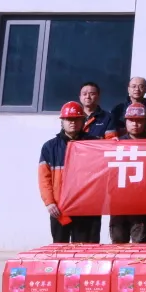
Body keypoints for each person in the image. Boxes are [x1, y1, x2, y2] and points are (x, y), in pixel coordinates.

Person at [38, 101, 99, 243]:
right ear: (62, 121)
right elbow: (44, 178)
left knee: (85, 249)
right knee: (60, 247)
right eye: (69, 119)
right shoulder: (50, 147)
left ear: (83, 121)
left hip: (86, 208)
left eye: (77, 119)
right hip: (60, 209)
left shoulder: (94, 144)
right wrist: (49, 202)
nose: (73, 122)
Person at [109, 104, 146, 244]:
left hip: (143, 204)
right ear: (125, 122)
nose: (135, 124)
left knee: (141, 244)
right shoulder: (115, 144)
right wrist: (110, 146)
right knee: (118, 243)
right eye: (131, 120)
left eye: (139, 120)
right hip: (119, 202)